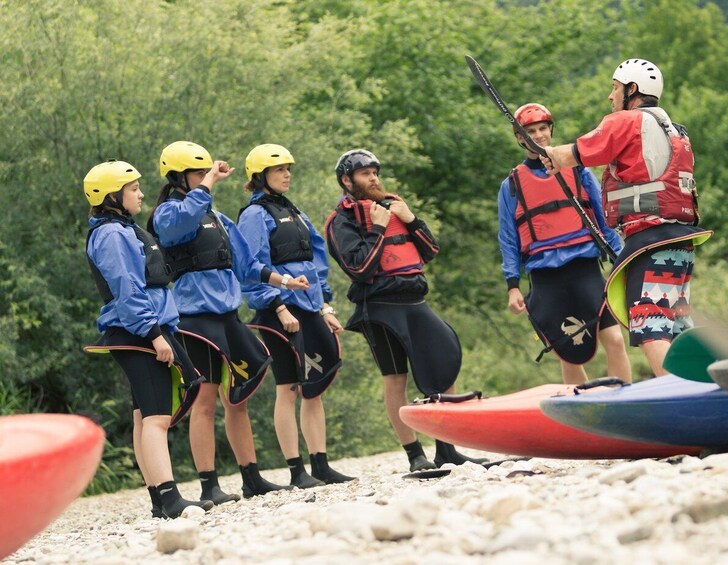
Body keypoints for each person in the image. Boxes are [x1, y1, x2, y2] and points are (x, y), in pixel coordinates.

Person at [148, 141, 309, 501]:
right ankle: (209, 485)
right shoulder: (168, 213)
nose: (204, 179)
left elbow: (248, 266)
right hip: (195, 319)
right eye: (197, 174)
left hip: (227, 316)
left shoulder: (218, 219)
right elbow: (179, 226)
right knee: (204, 403)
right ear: (179, 177)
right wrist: (208, 184)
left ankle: (251, 478)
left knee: (238, 399)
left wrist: (284, 282)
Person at [541, 59, 713, 377]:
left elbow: (579, 152)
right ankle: (700, 386)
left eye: (615, 87)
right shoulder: (676, 130)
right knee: (676, 327)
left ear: (631, 90)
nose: (611, 96)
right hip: (680, 242)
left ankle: (677, 399)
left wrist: (550, 154)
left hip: (652, 242)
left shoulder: (626, 121)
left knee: (651, 326)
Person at [325, 149, 486, 472]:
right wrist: (378, 228)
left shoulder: (393, 206)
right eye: (365, 174)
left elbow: (430, 251)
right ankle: (414, 455)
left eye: (375, 172)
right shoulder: (340, 222)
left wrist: (411, 220)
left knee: (444, 367)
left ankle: (447, 449)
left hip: (415, 302)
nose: (373, 178)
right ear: (347, 180)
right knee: (395, 379)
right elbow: (359, 269)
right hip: (379, 308)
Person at [82, 160, 212, 518]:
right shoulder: (111, 235)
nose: (140, 194)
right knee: (157, 417)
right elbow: (127, 289)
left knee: (144, 416)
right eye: (133, 189)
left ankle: (160, 498)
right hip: (138, 330)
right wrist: (155, 335)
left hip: (141, 328)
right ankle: (170, 498)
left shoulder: (122, 228)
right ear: (113, 196)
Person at [237, 143, 355, 486]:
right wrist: (278, 305)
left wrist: (325, 306)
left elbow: (316, 261)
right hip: (279, 311)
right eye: (279, 170)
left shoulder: (295, 212)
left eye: (288, 168)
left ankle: (320, 464)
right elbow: (251, 267)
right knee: (287, 387)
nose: (287, 174)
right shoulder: (254, 215)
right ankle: (295, 470)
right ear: (261, 177)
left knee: (314, 387)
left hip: (308, 308)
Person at [499, 102, 632, 384]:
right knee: (567, 352)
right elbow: (509, 239)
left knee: (615, 340)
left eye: (542, 128)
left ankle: (625, 404)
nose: (538, 135)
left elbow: (603, 217)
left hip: (584, 269)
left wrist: (621, 259)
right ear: (520, 138)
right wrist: (513, 285)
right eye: (530, 131)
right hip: (545, 277)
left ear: (550, 130)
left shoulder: (578, 171)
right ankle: (583, 417)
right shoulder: (510, 185)